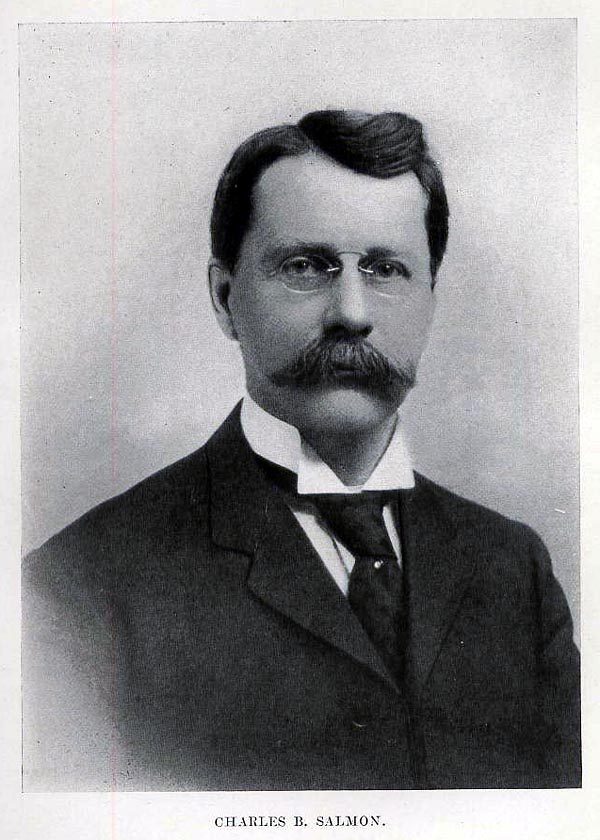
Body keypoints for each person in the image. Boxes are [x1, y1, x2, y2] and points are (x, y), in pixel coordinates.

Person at [22, 109, 581, 792]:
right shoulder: (78, 590)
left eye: (386, 269)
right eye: (306, 267)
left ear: (430, 298)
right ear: (225, 300)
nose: (352, 312)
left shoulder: (514, 568)